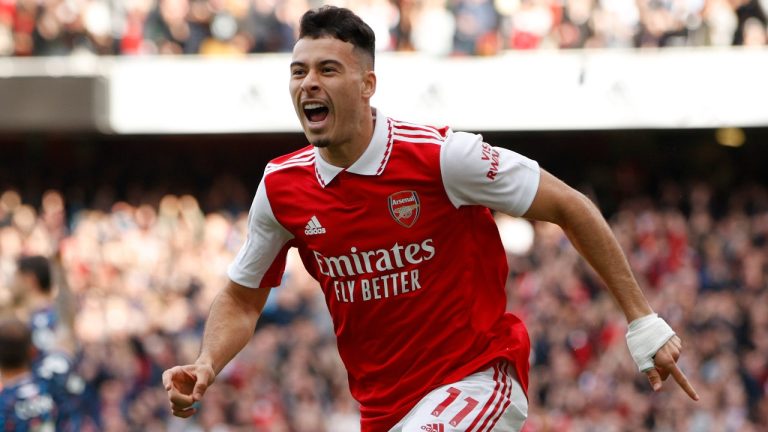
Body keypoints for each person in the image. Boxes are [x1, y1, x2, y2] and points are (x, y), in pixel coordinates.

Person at [163, 6, 699, 431]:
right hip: (383, 410)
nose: (308, 83)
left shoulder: (442, 157)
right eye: (298, 71)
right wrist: (208, 362)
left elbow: (568, 204)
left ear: (368, 84)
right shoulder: (281, 186)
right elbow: (241, 295)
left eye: (328, 70)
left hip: (477, 377)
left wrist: (642, 318)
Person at [0, 257, 84, 431]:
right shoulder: (53, 319)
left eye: (15, 276)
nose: (11, 283)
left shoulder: (41, 323)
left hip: (49, 418)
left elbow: (53, 377)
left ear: (29, 279)